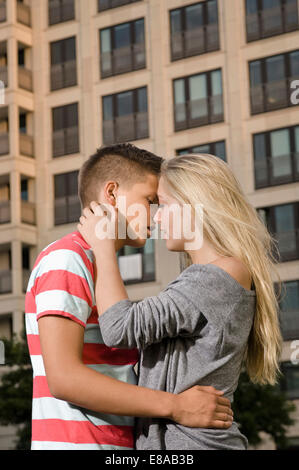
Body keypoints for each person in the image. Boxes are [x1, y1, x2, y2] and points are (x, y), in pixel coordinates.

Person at [25, 144, 233, 450]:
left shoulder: (98, 265)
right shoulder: (68, 259)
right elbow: (64, 378)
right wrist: (177, 406)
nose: (156, 215)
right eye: (149, 201)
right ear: (111, 194)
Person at [78, 152, 283, 450]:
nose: (156, 217)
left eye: (163, 205)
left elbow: (120, 327)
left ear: (195, 206)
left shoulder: (218, 277)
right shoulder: (206, 277)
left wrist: (103, 246)